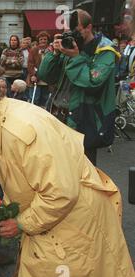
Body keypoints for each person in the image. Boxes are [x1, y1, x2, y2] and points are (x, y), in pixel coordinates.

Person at [0, 59, 135, 277]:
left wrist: (20, 223)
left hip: (71, 228)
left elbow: (60, 193)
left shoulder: (17, 130)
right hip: (59, 224)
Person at [38, 9, 119, 165]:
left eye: (75, 31)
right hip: (58, 116)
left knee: (83, 175)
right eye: (67, 32)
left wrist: (75, 57)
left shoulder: (104, 50)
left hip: (83, 120)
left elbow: (92, 82)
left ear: (88, 28)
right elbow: (45, 75)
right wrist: (54, 53)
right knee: (58, 170)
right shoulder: (67, 45)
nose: (71, 36)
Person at [27, 31, 51, 107]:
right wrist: (33, 75)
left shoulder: (51, 51)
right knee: (34, 100)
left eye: (45, 39)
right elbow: (30, 64)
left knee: (45, 100)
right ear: (38, 40)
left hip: (47, 81)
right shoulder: (34, 50)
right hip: (36, 79)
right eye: (41, 39)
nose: (43, 41)